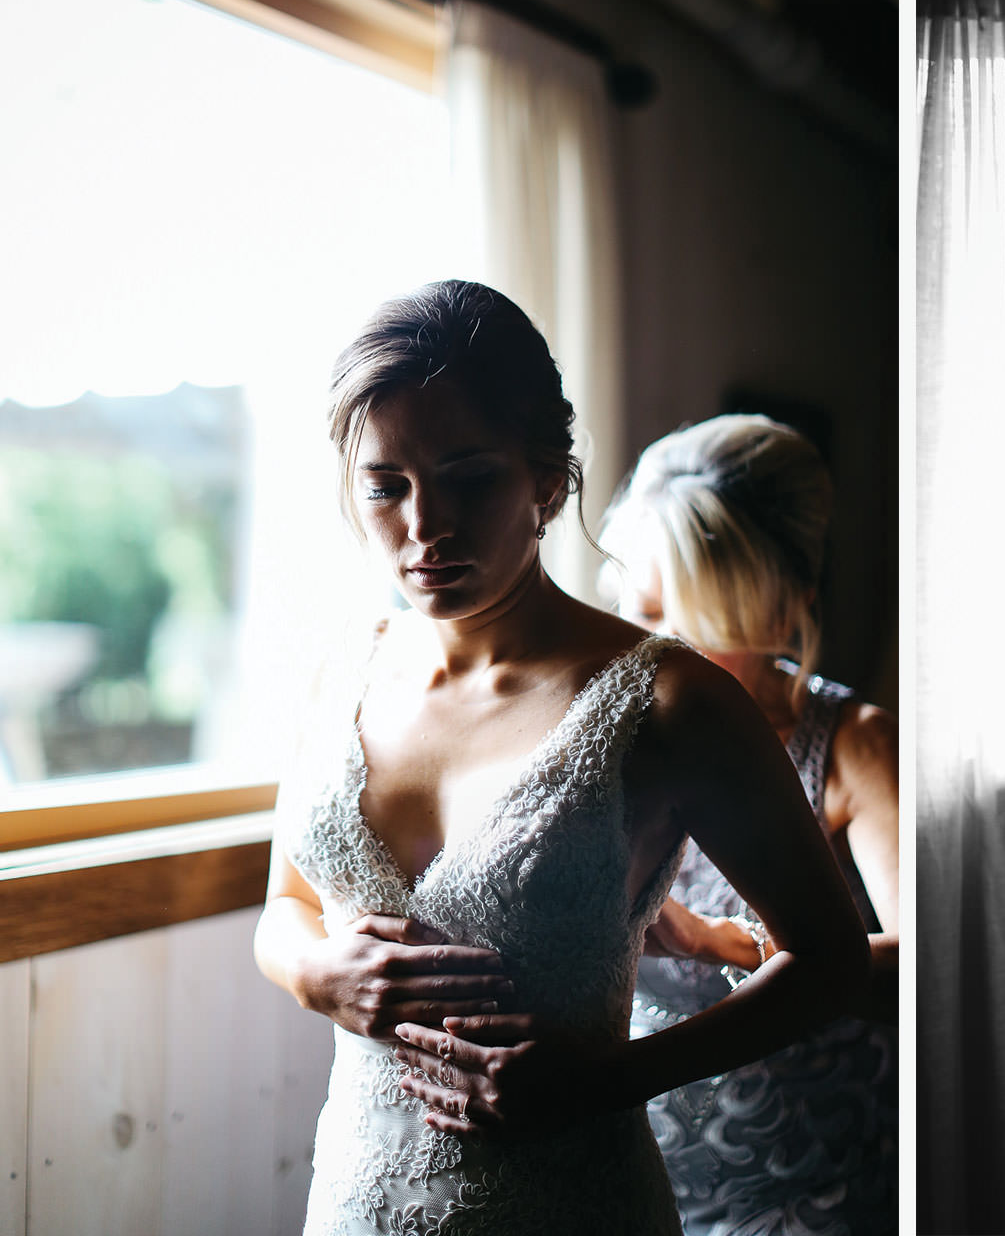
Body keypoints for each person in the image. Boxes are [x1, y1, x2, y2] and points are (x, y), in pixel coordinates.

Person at [252, 282, 870, 1235]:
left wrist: (610, 1080)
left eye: (468, 477)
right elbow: (285, 909)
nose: (424, 527)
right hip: (355, 1195)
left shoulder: (672, 703)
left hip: (569, 1200)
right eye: (386, 486)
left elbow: (827, 960)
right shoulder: (346, 667)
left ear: (547, 478)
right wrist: (316, 976)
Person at [597, 413, 899, 1235]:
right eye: (637, 613)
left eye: (689, 631)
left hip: (798, 1187)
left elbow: (923, 969)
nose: (652, 656)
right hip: (622, 1168)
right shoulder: (608, 730)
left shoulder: (850, 746)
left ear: (780, 606)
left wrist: (718, 941)